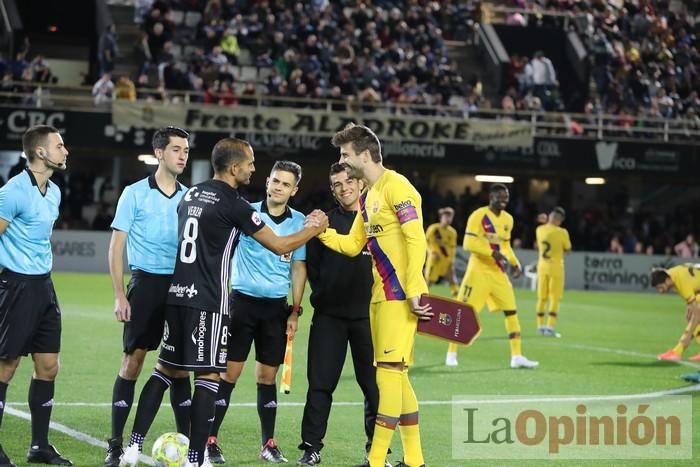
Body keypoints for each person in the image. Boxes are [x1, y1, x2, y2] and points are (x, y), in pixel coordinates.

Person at [120, 138, 327, 467]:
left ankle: (131, 447)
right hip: (209, 303)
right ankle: (195, 457)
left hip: (177, 296)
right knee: (209, 378)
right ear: (234, 168)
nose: (253, 168)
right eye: (250, 163)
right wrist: (315, 229)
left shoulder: (190, 194)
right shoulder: (236, 205)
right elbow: (280, 244)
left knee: (164, 370)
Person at [314, 123, 431, 467]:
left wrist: (414, 290)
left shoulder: (399, 188)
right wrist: (320, 233)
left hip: (400, 296)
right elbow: (352, 245)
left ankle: (376, 460)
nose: (342, 160)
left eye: (345, 155)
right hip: (379, 298)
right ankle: (414, 460)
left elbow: (416, 240)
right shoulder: (369, 196)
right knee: (396, 375)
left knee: (387, 375)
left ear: (364, 155)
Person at [205, 160, 307, 464]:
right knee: (229, 374)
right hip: (241, 304)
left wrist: (295, 310)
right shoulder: (245, 211)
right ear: (267, 182)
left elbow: (298, 268)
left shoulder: (300, 221)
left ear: (294, 190)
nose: (278, 187)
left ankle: (268, 444)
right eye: (275, 181)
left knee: (267, 377)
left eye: (285, 184)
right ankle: (211, 440)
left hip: (275, 308)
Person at [104, 127, 191, 466]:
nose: (182, 155)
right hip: (145, 285)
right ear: (159, 153)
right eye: (175, 149)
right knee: (133, 362)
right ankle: (116, 444)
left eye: (185, 150)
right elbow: (116, 246)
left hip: (180, 287)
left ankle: (190, 451)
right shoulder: (135, 193)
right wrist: (118, 295)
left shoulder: (189, 197)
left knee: (181, 368)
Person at [297, 163, 382, 466]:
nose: (344, 187)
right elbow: (312, 270)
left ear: (361, 184)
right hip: (329, 316)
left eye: (349, 181)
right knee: (320, 384)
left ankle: (376, 450)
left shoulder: (379, 219)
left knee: (374, 387)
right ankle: (311, 448)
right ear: (332, 190)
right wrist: (325, 295)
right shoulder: (323, 224)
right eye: (337, 184)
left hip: (370, 317)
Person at [0, 125, 72, 466]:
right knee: (6, 366)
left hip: (44, 285)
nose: (65, 151)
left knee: (48, 366)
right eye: (59, 146)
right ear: (40, 152)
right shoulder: (13, 191)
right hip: (14, 286)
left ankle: (38, 446)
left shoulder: (54, 192)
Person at [446, 184, 539, 370]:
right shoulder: (478, 216)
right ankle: (451, 353)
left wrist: (514, 263)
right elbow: (468, 243)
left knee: (511, 311)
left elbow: (505, 246)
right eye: (499, 197)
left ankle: (517, 356)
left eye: (506, 197)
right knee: (464, 313)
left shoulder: (508, 219)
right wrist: (492, 254)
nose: (503, 200)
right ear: (491, 197)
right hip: (478, 272)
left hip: (497, 273)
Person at [535, 207, 571, 338]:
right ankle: (549, 327)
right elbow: (567, 249)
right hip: (556, 268)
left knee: (541, 298)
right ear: (558, 220)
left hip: (542, 267)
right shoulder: (562, 232)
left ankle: (539, 326)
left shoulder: (539, 230)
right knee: (554, 298)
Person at [652, 266, 700, 365]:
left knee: (694, 318)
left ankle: (677, 351)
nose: (661, 291)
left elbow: (697, 314)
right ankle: (677, 352)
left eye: (661, 287)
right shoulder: (672, 274)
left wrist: (687, 336)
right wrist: (690, 305)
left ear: (667, 280)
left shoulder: (681, 282)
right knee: (692, 316)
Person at [423, 207, 458, 296]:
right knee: (430, 280)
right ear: (441, 217)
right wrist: (431, 252)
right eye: (446, 217)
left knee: (452, 278)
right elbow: (426, 242)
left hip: (446, 260)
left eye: (450, 217)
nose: (448, 219)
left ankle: (457, 297)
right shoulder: (433, 229)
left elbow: (452, 248)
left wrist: (451, 260)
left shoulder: (452, 232)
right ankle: (423, 296)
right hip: (435, 258)